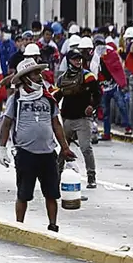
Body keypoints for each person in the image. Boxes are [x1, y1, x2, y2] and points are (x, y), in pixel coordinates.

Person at [0, 58, 76, 232]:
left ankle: (53, 225)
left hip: (48, 153)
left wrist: (65, 148)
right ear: (25, 78)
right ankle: (19, 226)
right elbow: (6, 124)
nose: (39, 77)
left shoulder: (48, 98)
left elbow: (56, 124)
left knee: (51, 194)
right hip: (26, 154)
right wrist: (2, 148)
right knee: (23, 194)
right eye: (35, 74)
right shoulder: (16, 99)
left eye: (39, 73)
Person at [52, 49, 100, 188]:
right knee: (63, 148)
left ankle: (91, 176)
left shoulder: (88, 76)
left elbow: (98, 94)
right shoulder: (62, 79)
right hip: (66, 119)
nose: (78, 61)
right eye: (74, 59)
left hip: (83, 119)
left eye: (79, 58)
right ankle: (56, 175)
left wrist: (92, 106)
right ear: (69, 61)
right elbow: (56, 96)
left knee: (86, 148)